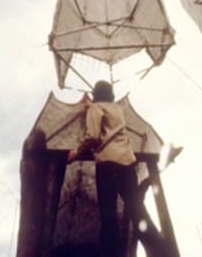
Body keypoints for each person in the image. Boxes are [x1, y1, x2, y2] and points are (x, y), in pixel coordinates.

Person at [67, 80, 166, 257]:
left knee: (108, 215)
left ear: (95, 94)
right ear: (110, 95)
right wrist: (90, 105)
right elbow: (105, 116)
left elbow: (93, 137)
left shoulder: (95, 109)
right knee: (137, 210)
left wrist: (75, 152)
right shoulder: (117, 109)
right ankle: (161, 250)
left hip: (108, 164)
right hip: (127, 163)